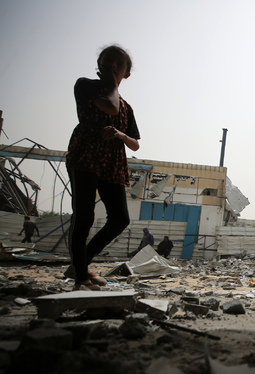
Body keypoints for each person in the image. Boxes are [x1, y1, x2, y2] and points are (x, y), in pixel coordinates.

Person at [65, 45, 140, 291]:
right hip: (86, 154)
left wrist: (120, 134)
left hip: (112, 162)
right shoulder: (85, 85)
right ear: (99, 64)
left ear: (127, 73)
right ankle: (80, 278)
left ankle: (80, 263)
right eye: (107, 61)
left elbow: (135, 144)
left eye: (118, 63)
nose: (112, 66)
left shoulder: (127, 108)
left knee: (120, 219)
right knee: (84, 216)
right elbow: (110, 107)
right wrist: (112, 84)